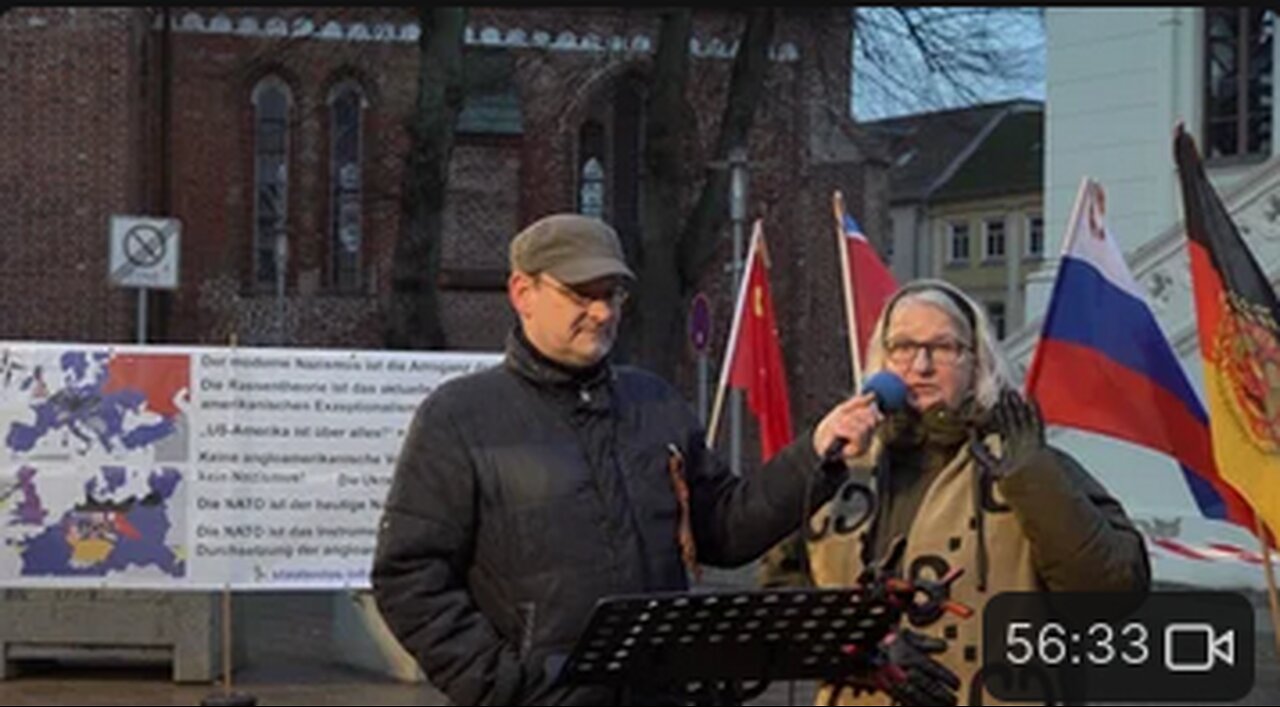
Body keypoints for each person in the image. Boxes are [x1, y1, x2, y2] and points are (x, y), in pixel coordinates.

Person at [371, 213, 870, 706]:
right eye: (581, 294)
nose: (603, 312)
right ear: (522, 293)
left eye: (611, 294)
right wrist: (503, 685)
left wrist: (814, 455)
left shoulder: (653, 403)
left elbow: (724, 527)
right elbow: (410, 575)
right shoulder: (460, 416)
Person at [802, 278, 1151, 706]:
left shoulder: (1026, 465)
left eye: (944, 347)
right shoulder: (837, 473)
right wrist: (866, 647)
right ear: (880, 361)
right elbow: (776, 608)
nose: (922, 365)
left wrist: (1035, 480)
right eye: (903, 347)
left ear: (976, 365)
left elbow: (1110, 593)